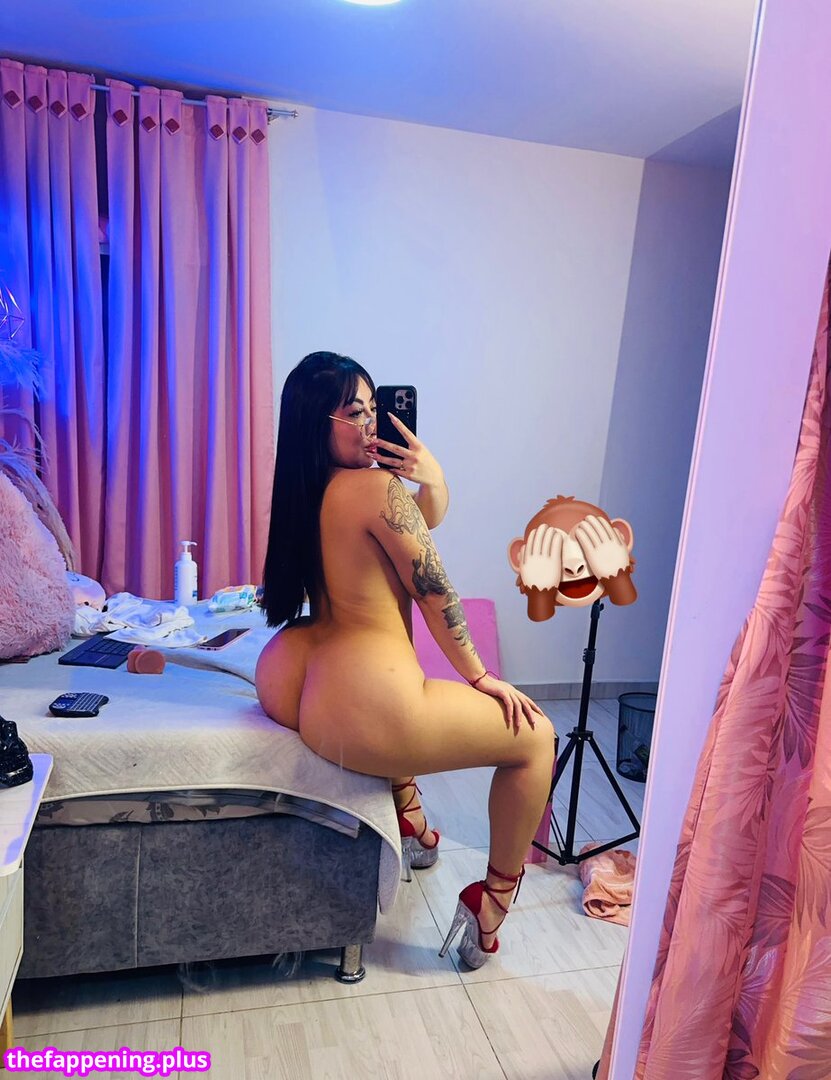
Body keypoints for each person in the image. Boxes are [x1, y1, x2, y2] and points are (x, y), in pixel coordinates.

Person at [255, 351, 556, 968]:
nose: (370, 424)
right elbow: (433, 587)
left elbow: (415, 523)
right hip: (364, 706)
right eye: (354, 413)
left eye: (373, 409)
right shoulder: (374, 488)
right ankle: (491, 903)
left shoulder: (307, 488)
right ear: (317, 421)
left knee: (395, 699)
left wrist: (431, 480)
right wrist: (480, 676)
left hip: (297, 683)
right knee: (536, 739)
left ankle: (413, 825)